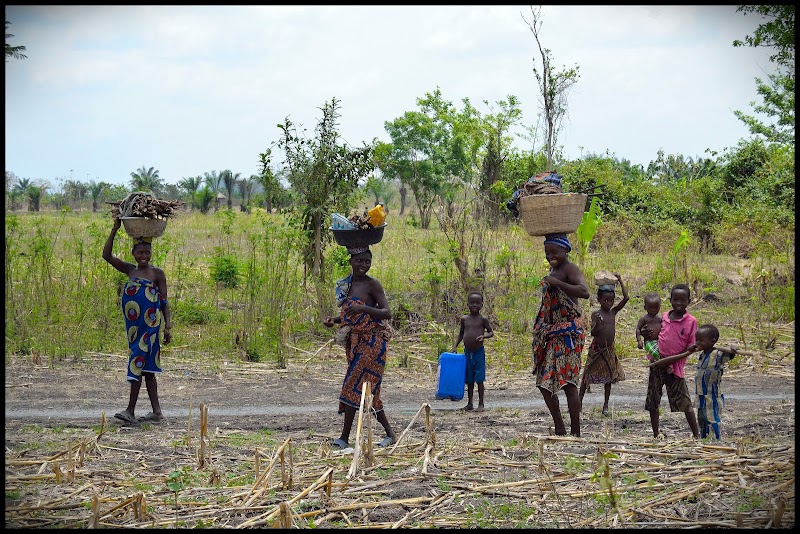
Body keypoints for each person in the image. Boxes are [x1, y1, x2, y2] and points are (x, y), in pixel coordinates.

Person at [323, 246, 397, 450]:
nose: (364, 265)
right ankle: (390, 434)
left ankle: (344, 438)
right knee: (368, 392)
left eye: (367, 261)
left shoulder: (373, 285)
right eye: (360, 261)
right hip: (356, 344)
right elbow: (350, 316)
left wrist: (364, 308)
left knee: (352, 386)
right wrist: (334, 320)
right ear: (351, 262)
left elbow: (387, 313)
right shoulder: (347, 285)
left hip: (373, 344)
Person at [102, 218, 171, 425]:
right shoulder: (130, 270)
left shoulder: (157, 273)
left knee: (137, 365)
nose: (144, 256)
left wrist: (168, 326)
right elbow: (106, 255)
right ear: (133, 253)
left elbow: (164, 301)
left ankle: (130, 410)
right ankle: (156, 412)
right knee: (147, 369)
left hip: (149, 329)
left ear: (151, 254)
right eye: (140, 252)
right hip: (134, 331)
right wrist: (114, 229)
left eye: (147, 253)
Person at [531, 233, 589, 437]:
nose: (550, 256)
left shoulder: (569, 269)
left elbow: (584, 291)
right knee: (544, 383)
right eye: (547, 252)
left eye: (554, 251)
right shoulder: (554, 270)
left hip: (569, 335)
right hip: (552, 335)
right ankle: (559, 425)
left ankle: (576, 431)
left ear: (565, 250)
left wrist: (558, 284)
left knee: (568, 383)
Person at [642, 283, 700, 439]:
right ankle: (655, 434)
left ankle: (696, 435)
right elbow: (654, 335)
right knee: (653, 400)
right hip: (657, 364)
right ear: (670, 300)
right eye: (676, 299)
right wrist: (644, 334)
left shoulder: (691, 321)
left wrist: (671, 361)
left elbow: (690, 347)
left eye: (683, 300)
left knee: (684, 402)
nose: (679, 303)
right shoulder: (665, 317)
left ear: (689, 300)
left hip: (674, 368)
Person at [578, 274, 629, 416]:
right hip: (597, 350)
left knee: (608, 379)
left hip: (608, 350)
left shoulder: (613, 312)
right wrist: (598, 326)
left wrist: (620, 280)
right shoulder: (596, 315)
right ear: (599, 299)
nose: (609, 303)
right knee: (586, 376)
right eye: (606, 300)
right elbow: (593, 333)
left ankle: (605, 406)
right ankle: (579, 403)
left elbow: (626, 298)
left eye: (611, 300)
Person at [693, 324, 738, 440]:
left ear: (713, 341)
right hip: (701, 395)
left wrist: (733, 348)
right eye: (696, 340)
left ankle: (716, 439)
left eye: (701, 340)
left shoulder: (718, 354)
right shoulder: (702, 354)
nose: (697, 342)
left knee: (712, 418)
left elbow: (731, 355)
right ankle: (704, 438)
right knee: (702, 419)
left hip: (712, 395)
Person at [452, 291, 494, 412]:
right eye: (472, 303)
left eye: (477, 303)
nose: (474, 305)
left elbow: (491, 332)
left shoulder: (483, 319)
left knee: (479, 379)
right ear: (468, 304)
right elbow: (461, 334)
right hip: (467, 352)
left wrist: (483, 337)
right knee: (469, 380)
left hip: (478, 352)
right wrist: (455, 346)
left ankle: (481, 404)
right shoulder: (464, 319)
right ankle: (470, 403)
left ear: (482, 304)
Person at [636, 292, 663, 362]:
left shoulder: (660, 319)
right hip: (649, 342)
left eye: (656, 307)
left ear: (660, 307)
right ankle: (665, 365)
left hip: (658, 341)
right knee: (655, 352)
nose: (653, 310)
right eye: (650, 308)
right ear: (645, 307)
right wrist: (639, 341)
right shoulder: (644, 319)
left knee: (663, 352)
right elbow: (638, 329)